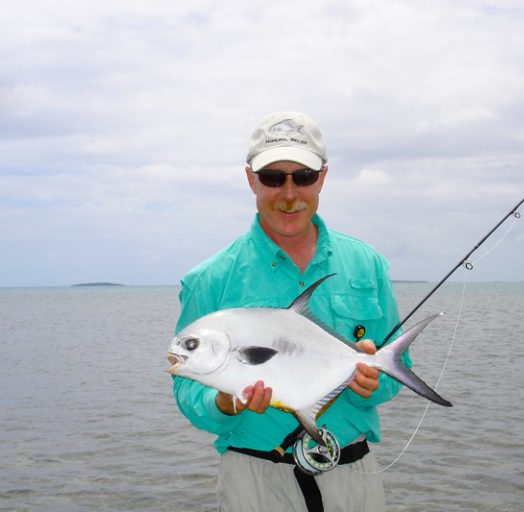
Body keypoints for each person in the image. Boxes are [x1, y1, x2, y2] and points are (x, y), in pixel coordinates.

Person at [172, 111, 410, 512]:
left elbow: (393, 374)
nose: (289, 192)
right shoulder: (209, 279)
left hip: (353, 476)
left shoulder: (366, 264)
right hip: (255, 481)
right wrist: (226, 402)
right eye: (272, 178)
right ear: (250, 179)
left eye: (302, 176)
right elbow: (186, 389)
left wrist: (373, 381)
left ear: (323, 177)